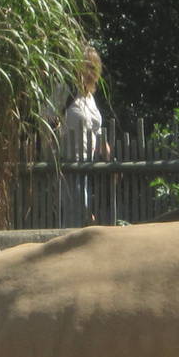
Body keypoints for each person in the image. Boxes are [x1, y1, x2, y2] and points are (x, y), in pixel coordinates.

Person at [59, 45, 110, 226]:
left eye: (93, 66)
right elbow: (46, 120)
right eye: (86, 65)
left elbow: (97, 129)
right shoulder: (64, 91)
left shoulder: (89, 97)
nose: (90, 71)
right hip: (67, 166)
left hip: (88, 167)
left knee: (83, 215)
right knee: (74, 217)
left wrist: (109, 157)